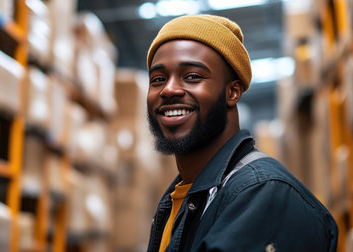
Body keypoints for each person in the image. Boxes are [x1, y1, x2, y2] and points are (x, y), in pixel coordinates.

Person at [145, 14, 338, 252]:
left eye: (192, 77)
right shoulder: (181, 200)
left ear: (233, 92)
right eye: (158, 79)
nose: (169, 89)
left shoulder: (263, 194)